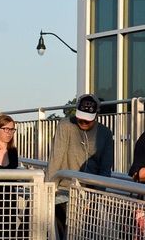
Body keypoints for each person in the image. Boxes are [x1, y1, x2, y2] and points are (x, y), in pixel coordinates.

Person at [46, 94, 114, 238]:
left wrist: (94, 197)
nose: (83, 121)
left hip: (90, 194)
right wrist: (48, 190)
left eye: (88, 119)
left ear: (96, 115)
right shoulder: (65, 125)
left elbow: (105, 169)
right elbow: (55, 159)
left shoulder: (106, 134)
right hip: (64, 191)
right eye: (81, 116)